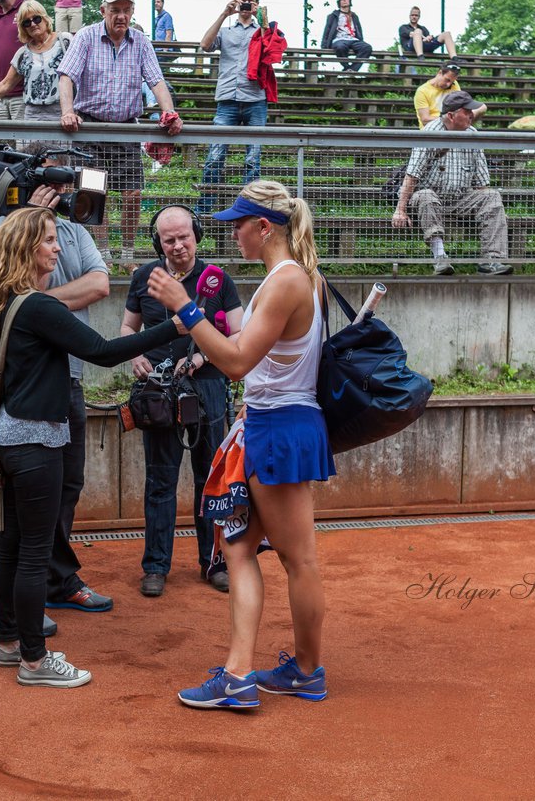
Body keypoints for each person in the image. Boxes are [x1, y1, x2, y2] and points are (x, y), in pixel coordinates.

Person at [142, 180, 334, 709]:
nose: (232, 234)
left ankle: (304, 671)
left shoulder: (287, 281)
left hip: (280, 428)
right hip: (275, 424)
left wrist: (186, 307)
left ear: (263, 227)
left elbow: (234, 360)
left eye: (238, 224)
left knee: (299, 560)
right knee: (239, 547)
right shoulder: (295, 276)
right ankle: (241, 673)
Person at [0, 208, 181, 688]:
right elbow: (105, 352)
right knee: (30, 554)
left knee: (9, 549)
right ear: (28, 249)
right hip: (37, 440)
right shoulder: (41, 306)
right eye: (49, 240)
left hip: (11, 439)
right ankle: (33, 659)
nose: (58, 247)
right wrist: (175, 327)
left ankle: (10, 644)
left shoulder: (7, 302)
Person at [0, 146, 116, 621]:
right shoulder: (6, 228)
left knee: (67, 485)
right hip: (22, 393)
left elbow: (100, 285)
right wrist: (36, 312)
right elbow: (0, 287)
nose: (63, 188)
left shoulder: (74, 230)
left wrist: (37, 310)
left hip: (68, 383)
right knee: (19, 507)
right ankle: (27, 595)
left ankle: (54, 581)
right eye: (53, 177)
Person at [121, 206, 243, 597]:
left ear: (198, 235)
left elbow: (239, 334)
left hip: (207, 387)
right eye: (169, 240)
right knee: (160, 479)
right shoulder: (145, 278)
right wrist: (135, 354)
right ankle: (155, 566)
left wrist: (204, 356)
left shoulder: (217, 279)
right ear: (158, 242)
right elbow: (128, 326)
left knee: (211, 478)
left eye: (184, 237)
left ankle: (214, 562)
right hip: (159, 391)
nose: (178, 246)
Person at [58, 0, 184, 265]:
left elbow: (156, 81)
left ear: (132, 12)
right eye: (115, 10)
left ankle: (127, 255)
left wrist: (169, 113)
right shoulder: (87, 36)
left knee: (133, 193)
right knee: (93, 192)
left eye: (126, 10)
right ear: (103, 11)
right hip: (90, 127)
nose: (121, 16)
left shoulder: (140, 42)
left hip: (126, 128)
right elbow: (66, 75)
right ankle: (101, 255)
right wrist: (68, 111)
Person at [392, 90, 512, 276]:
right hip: (428, 198)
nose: (472, 115)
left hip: (460, 198)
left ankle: (491, 261)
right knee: (426, 196)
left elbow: (482, 183)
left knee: (491, 196)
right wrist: (400, 210)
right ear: (451, 115)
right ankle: (440, 258)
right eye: (467, 111)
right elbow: (412, 175)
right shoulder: (430, 134)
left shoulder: (473, 135)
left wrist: (494, 212)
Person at [196, 0, 286, 215]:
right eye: (242, 0)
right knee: (215, 156)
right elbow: (205, 45)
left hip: (255, 98)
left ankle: (250, 209)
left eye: (250, 1)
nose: (245, 5)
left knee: (252, 160)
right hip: (227, 98)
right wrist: (224, 13)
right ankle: (205, 209)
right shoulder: (226, 30)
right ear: (236, 0)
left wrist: (261, 16)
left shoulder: (262, 30)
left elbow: (273, 51)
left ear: (256, 3)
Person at [0, 0, 72, 123]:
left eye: (37, 19)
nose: (33, 24)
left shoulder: (65, 41)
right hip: (33, 115)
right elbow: (5, 85)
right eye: (26, 23)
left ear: (45, 19)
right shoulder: (23, 53)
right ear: (23, 28)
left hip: (62, 113)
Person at [413, 61, 484, 126]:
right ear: (440, 73)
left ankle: (464, 126)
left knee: (482, 108)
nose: (448, 84)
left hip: (452, 121)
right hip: (433, 125)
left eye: (451, 82)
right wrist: (448, 118)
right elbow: (425, 119)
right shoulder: (422, 91)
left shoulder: (454, 84)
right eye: (447, 80)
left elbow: (461, 105)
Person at [319, 0, 372, 73]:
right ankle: (347, 67)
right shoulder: (333, 16)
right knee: (340, 47)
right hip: (339, 39)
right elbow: (327, 30)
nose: (344, 0)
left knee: (367, 47)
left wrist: (361, 41)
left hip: (353, 39)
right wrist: (323, 45)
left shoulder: (354, 16)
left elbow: (359, 30)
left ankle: (353, 69)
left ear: (350, 1)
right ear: (339, 2)